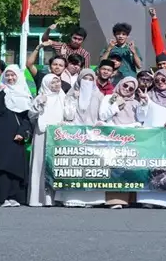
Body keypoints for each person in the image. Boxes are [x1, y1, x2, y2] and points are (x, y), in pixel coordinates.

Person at [135, 68, 166, 209]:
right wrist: (143, 103)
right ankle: (147, 199)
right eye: (157, 80)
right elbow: (141, 117)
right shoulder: (148, 95)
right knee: (149, 167)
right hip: (151, 138)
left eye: (163, 80)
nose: (160, 83)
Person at [59, 69, 107, 208]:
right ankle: (72, 198)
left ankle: (92, 199)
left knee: (91, 167)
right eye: (84, 78)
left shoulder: (99, 95)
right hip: (74, 135)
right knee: (75, 166)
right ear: (79, 80)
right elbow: (67, 115)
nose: (87, 81)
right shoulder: (71, 93)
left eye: (90, 79)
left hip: (93, 136)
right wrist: (73, 98)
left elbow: (102, 115)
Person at [0, 65, 32, 207]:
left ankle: (14, 195)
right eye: (8, 75)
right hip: (1, 133)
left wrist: (22, 132)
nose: (10, 78)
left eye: (13, 75)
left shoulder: (25, 93)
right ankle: (1, 197)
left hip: (17, 134)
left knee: (16, 164)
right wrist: (0, 93)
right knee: (2, 164)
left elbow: (27, 117)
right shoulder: (1, 91)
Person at [99, 77, 142, 208]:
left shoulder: (135, 102)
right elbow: (102, 115)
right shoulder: (109, 98)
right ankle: (114, 200)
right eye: (125, 86)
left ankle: (129, 199)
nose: (127, 89)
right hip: (113, 137)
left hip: (129, 138)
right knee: (114, 168)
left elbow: (141, 119)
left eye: (131, 88)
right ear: (120, 84)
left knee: (128, 168)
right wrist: (116, 106)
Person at [28, 74, 66, 207]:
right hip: (42, 134)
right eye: (53, 83)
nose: (56, 85)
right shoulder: (41, 97)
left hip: (58, 135)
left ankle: (56, 197)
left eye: (58, 82)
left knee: (56, 165)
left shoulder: (63, 96)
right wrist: (39, 103)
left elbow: (68, 114)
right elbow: (31, 115)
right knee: (41, 164)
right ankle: (40, 198)